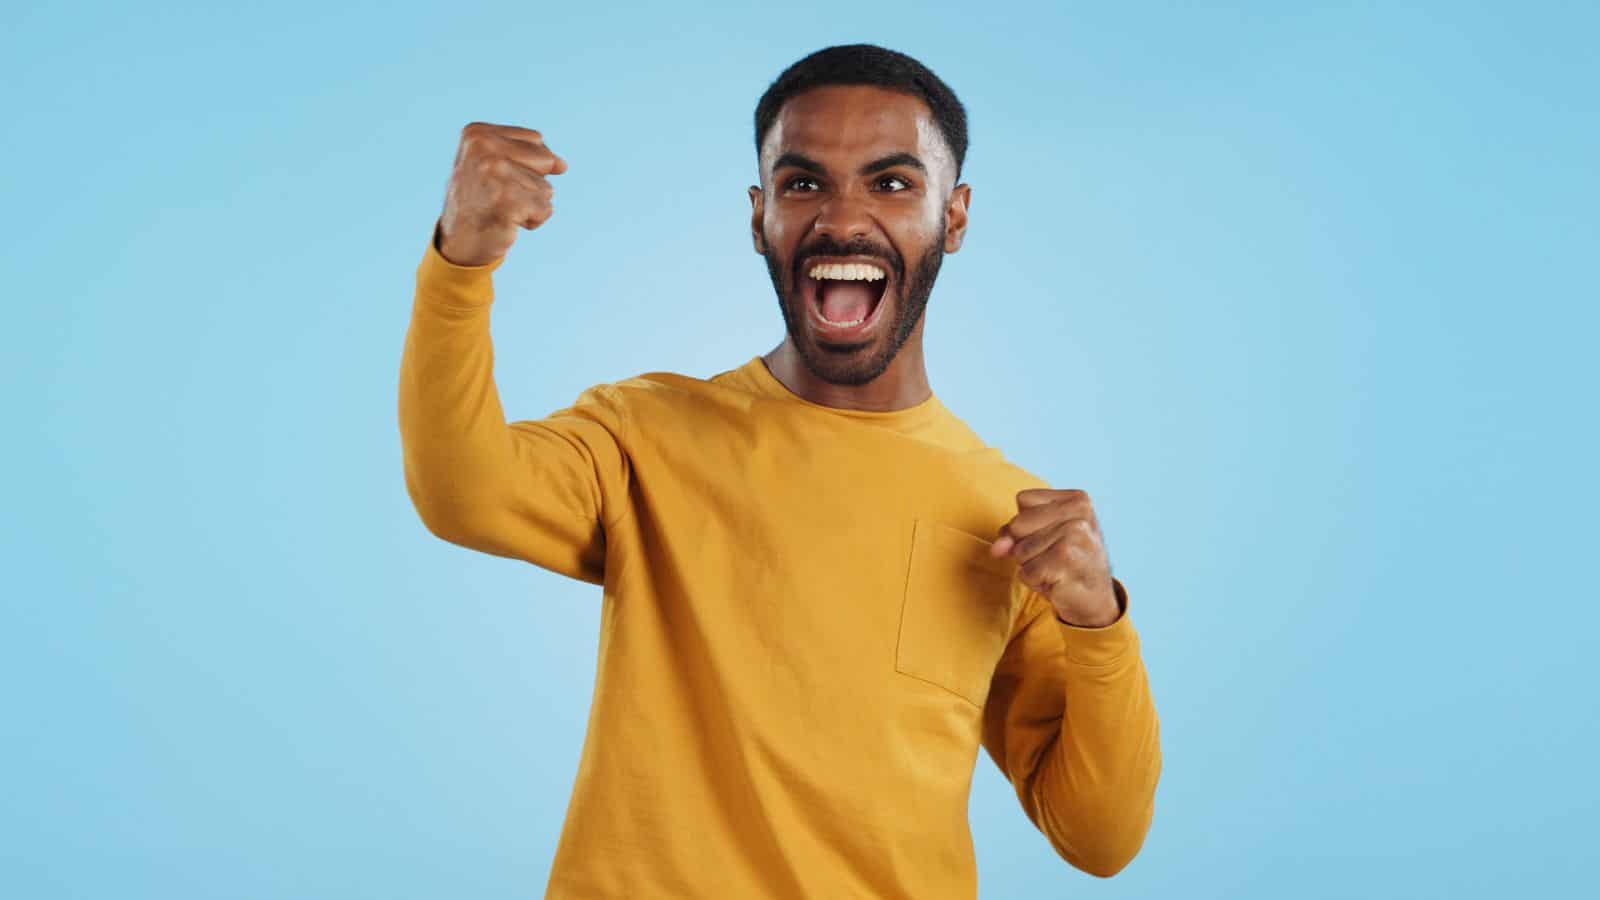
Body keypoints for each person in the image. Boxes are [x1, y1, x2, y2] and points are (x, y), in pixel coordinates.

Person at [399, 42, 1161, 899]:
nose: (841, 218)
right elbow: (461, 491)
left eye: (892, 182)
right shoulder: (645, 434)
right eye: (803, 184)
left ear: (954, 215)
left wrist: (1097, 620)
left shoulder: (1009, 519)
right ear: (759, 216)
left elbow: (1100, 836)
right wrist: (462, 261)